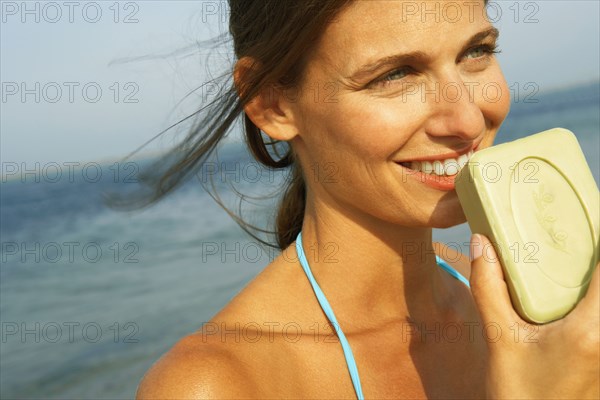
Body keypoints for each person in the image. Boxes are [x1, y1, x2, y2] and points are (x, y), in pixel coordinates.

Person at [135, 0, 600, 398]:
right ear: (272, 103)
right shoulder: (220, 385)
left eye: (475, 52)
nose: (467, 120)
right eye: (395, 75)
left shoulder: (533, 301)